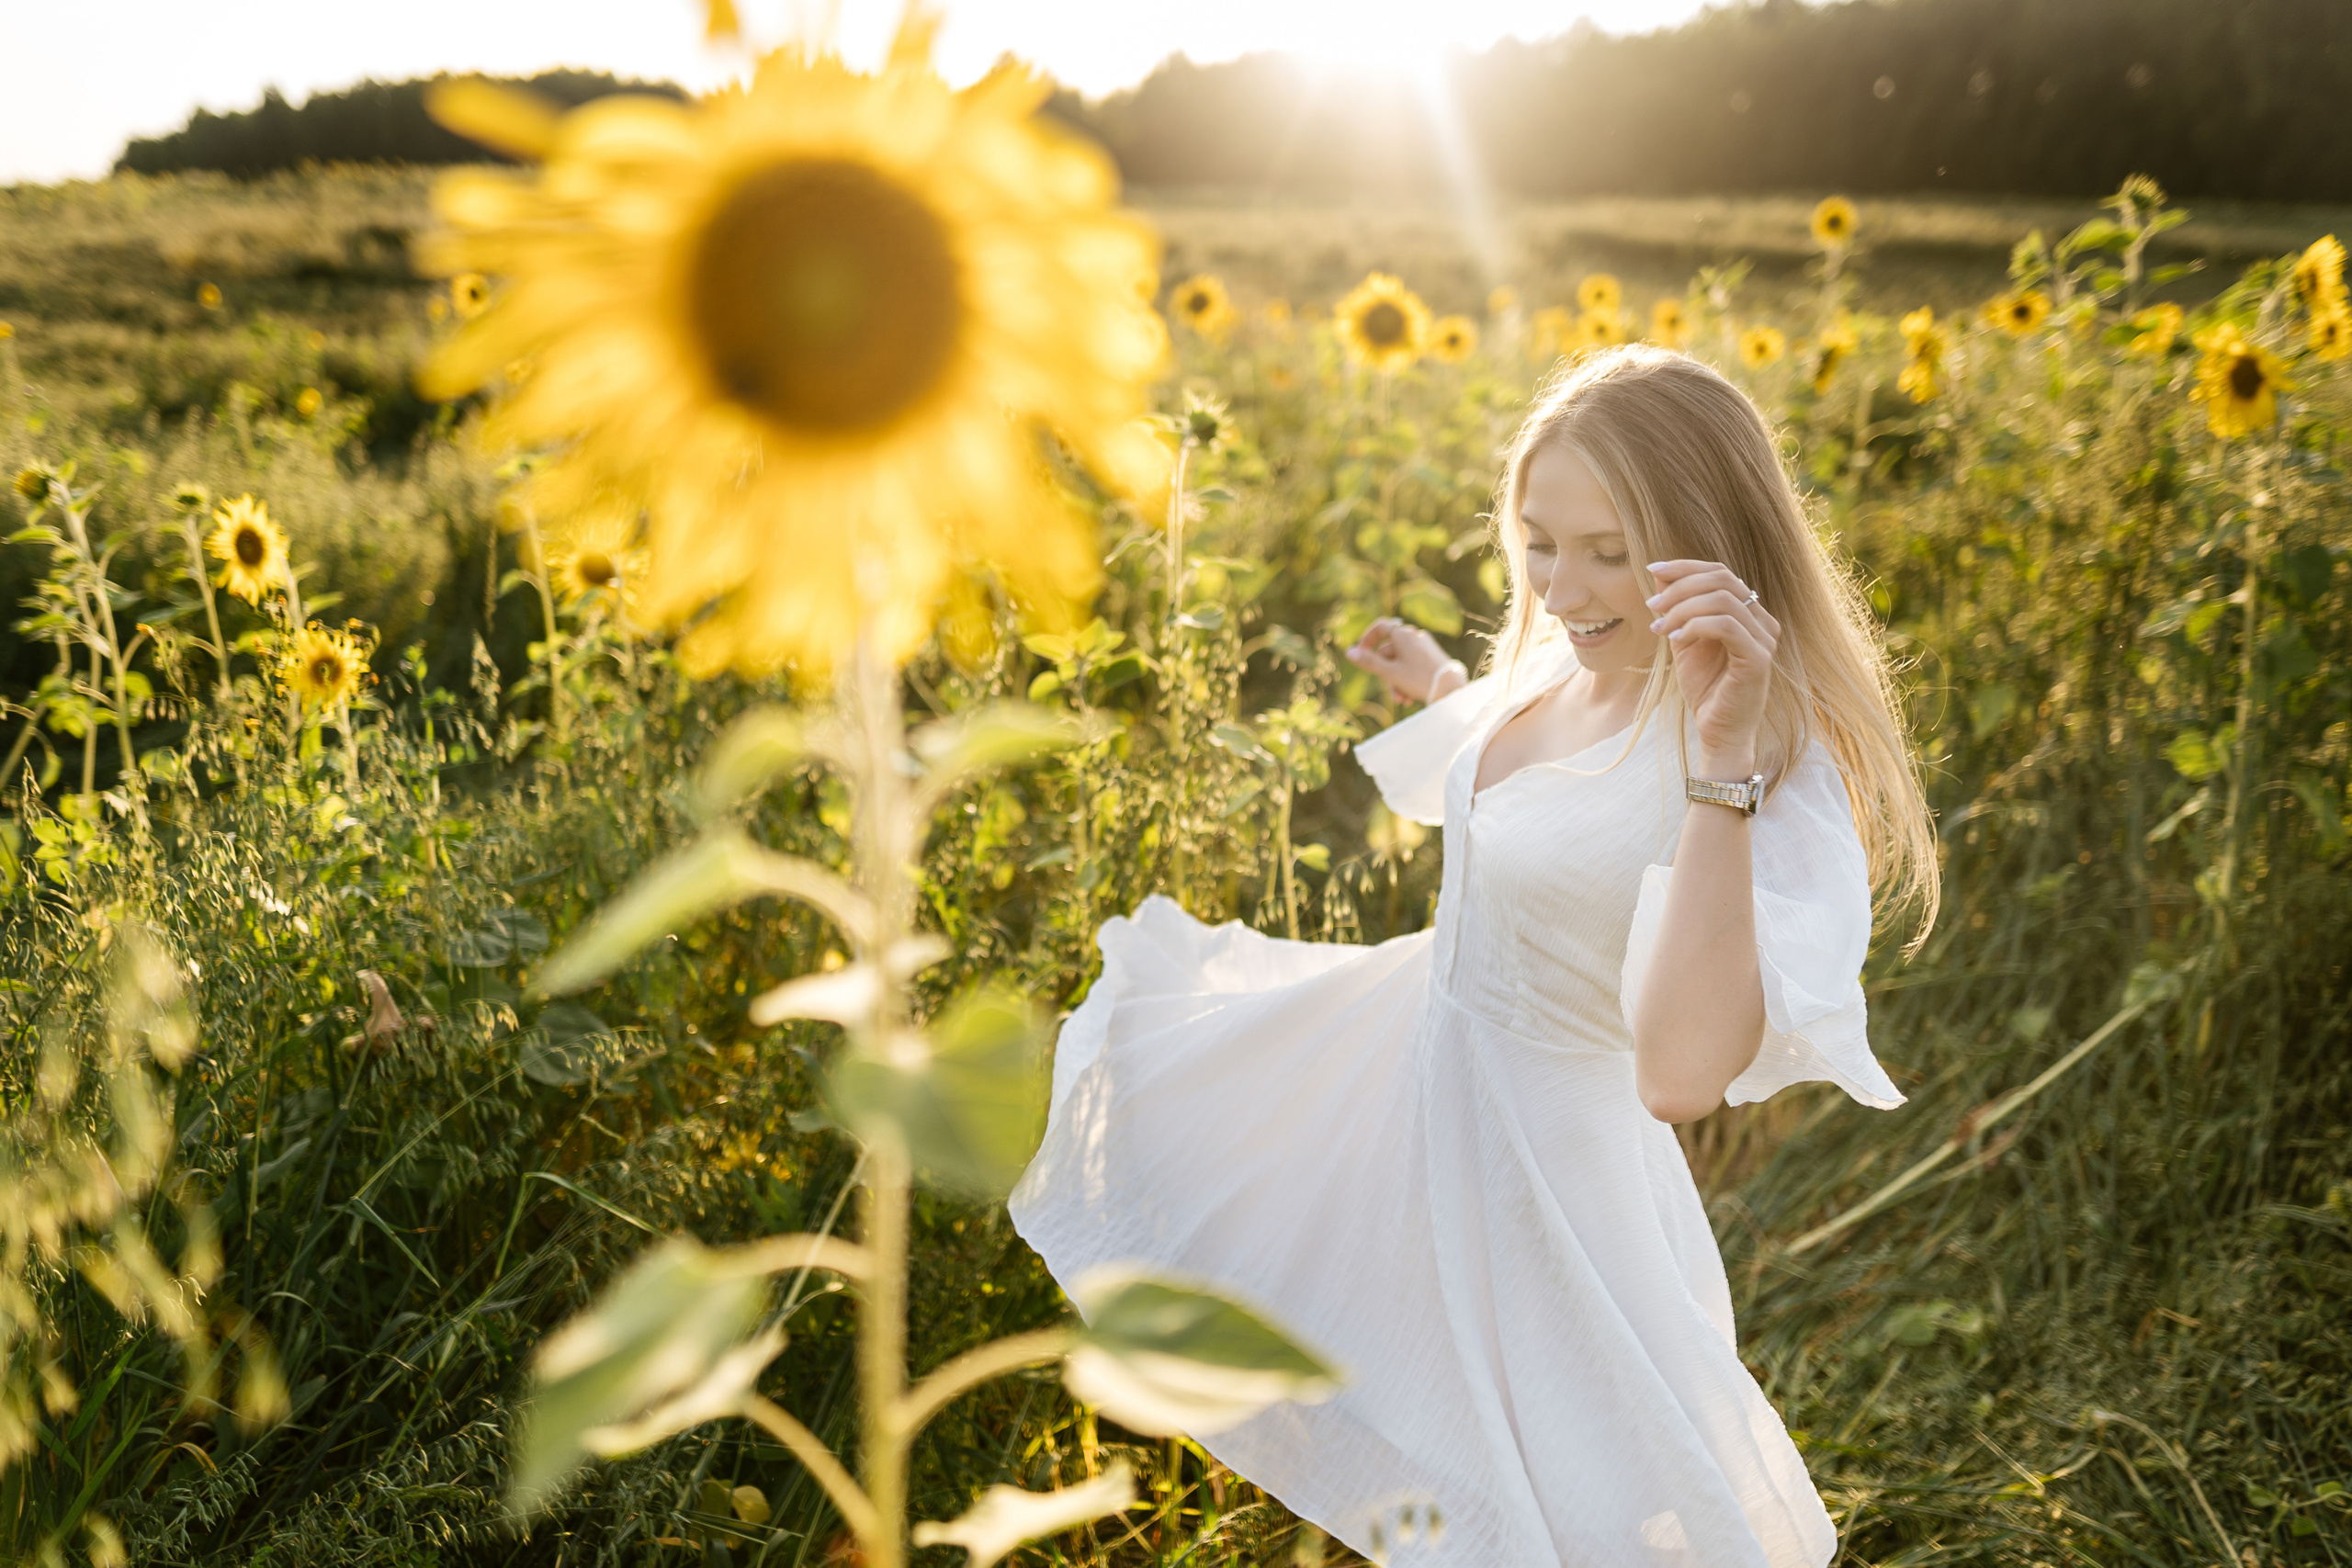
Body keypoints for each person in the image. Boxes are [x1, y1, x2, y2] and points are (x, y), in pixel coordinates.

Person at [1007, 344, 1939, 1566]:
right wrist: (1452, 688)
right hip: (1407, 1076)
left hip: (1541, 1175)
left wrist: (1723, 770)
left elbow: (1678, 1075)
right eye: (1540, 542)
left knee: (1562, 1518)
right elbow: (1538, 818)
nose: (1564, 586)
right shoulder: (1574, 656)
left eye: (1610, 550)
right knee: (1422, 1460)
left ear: (1710, 542)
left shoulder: (1761, 761)